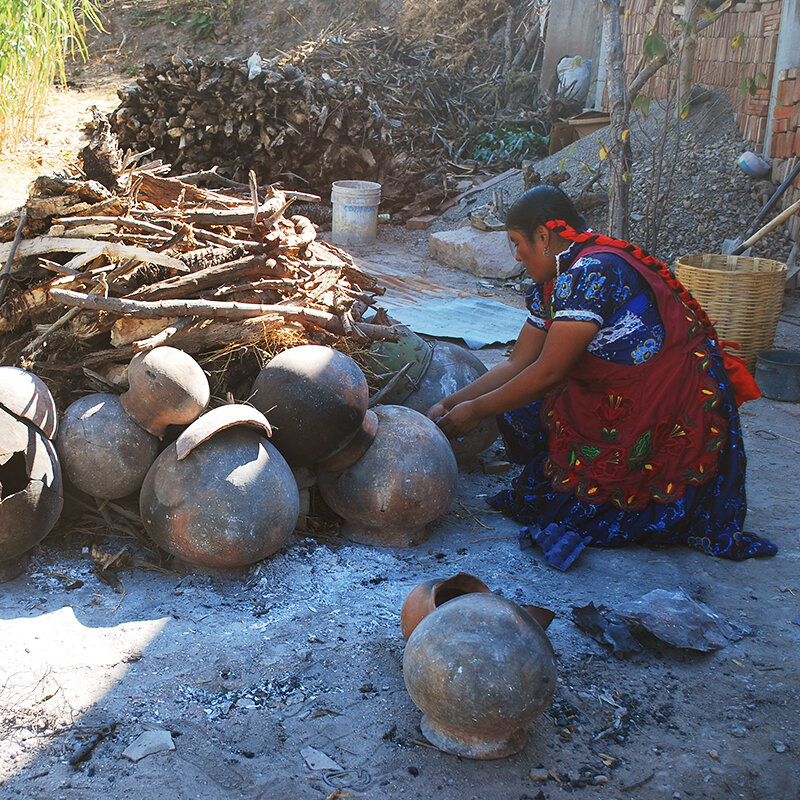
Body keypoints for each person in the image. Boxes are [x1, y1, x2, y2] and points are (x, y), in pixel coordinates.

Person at [428, 185, 776, 569]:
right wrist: (454, 402)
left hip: (670, 398)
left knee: (562, 466)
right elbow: (518, 363)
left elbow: (548, 371)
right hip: (627, 387)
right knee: (518, 407)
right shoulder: (556, 279)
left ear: (543, 237)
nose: (516, 255)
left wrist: (476, 411)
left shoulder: (591, 272)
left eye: (516, 243)